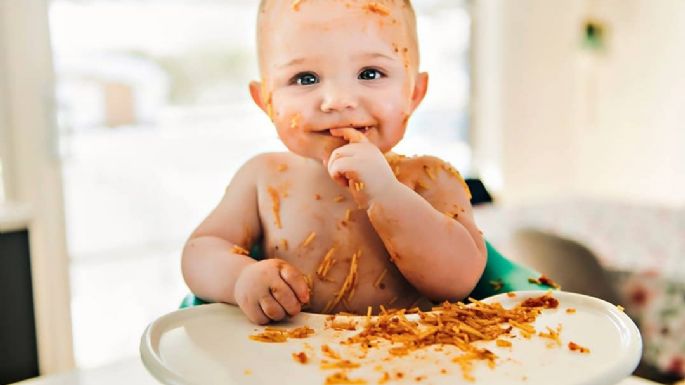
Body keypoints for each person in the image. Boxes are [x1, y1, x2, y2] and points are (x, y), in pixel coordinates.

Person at [181, 0, 486, 325]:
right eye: (305, 78)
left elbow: (460, 282)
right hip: (290, 363)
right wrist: (241, 278)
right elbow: (200, 251)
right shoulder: (263, 177)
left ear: (414, 93)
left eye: (370, 73)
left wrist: (387, 194)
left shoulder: (431, 178)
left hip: (413, 361)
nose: (339, 100)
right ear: (266, 100)